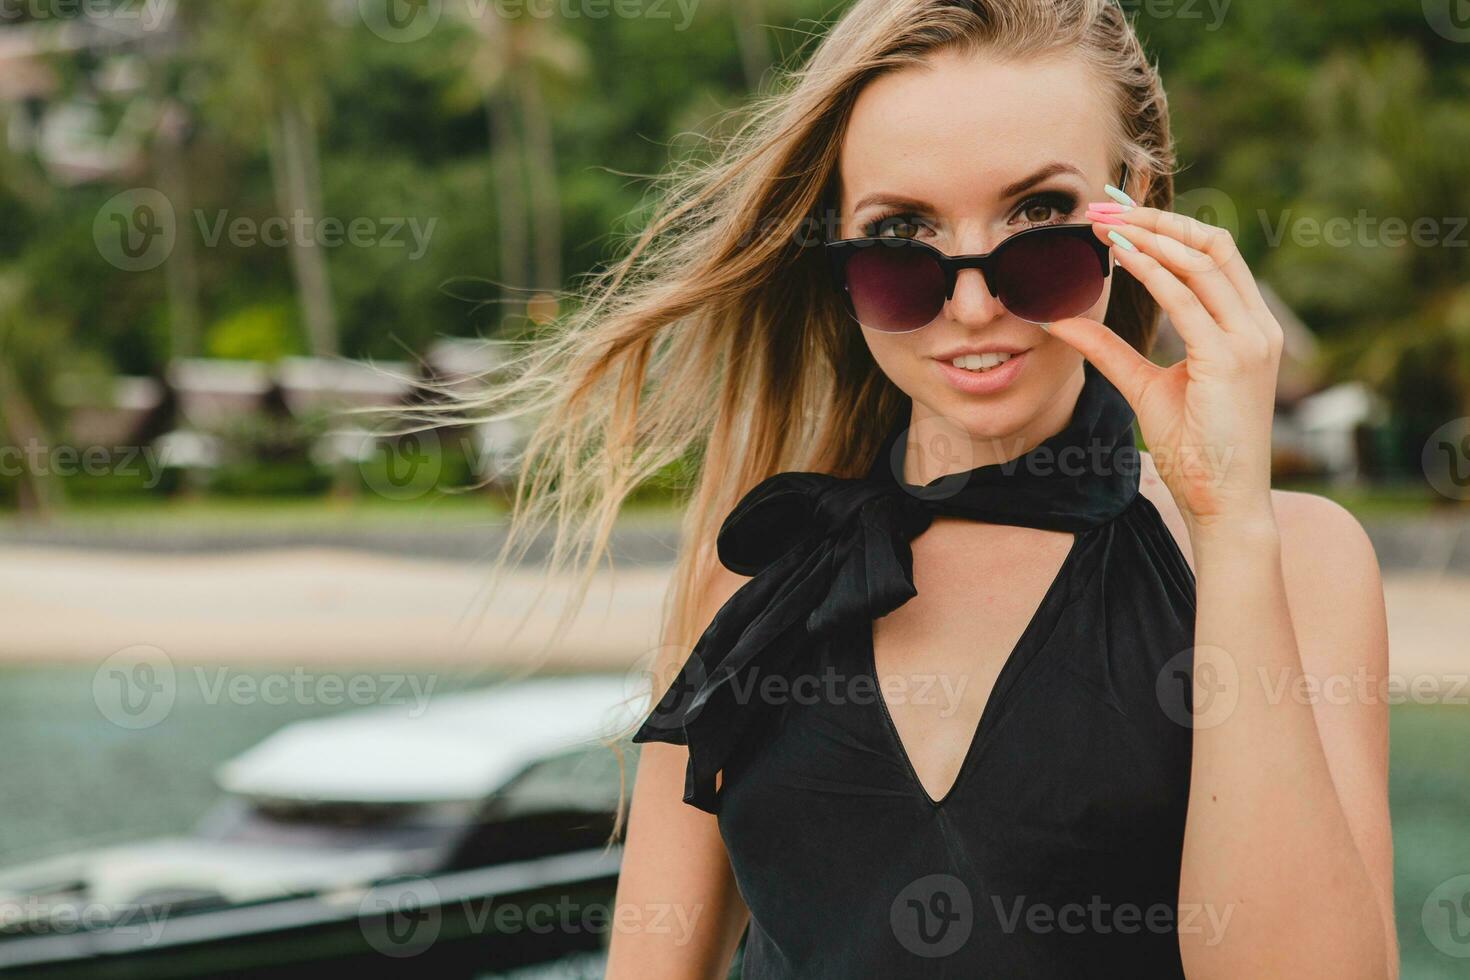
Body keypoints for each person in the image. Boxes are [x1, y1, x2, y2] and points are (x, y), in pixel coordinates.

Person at [481, 1, 1395, 975]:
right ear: (837, 256)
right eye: (901, 235)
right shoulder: (754, 572)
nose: (970, 305)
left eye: (1039, 218)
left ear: (1138, 203)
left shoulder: (1292, 559)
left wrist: (1229, 517)